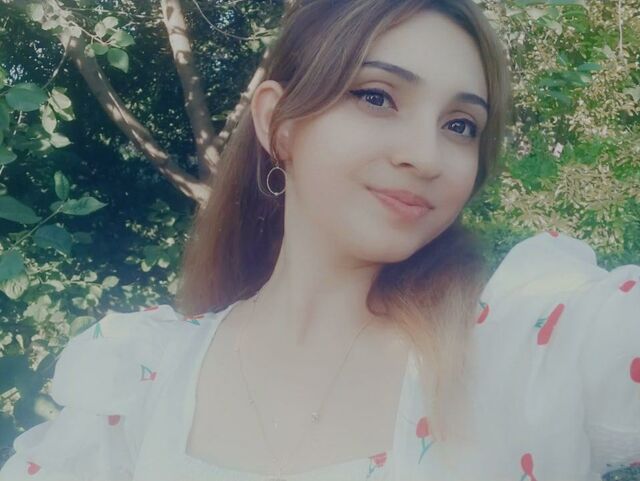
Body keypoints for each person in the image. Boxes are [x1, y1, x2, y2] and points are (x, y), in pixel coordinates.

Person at [1, 0, 639, 480]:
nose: (426, 156)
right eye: (377, 97)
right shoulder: (138, 381)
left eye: (460, 125)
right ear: (278, 123)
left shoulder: (524, 353)